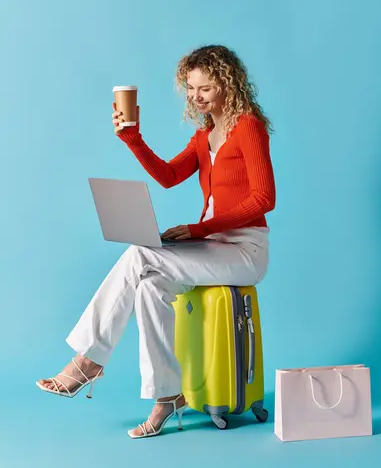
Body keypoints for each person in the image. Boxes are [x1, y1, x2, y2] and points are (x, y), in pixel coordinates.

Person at [36, 44, 276, 439]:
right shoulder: (205, 135)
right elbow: (167, 176)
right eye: (191, 89)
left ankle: (87, 361)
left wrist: (199, 230)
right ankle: (168, 397)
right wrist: (133, 139)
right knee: (150, 286)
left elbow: (264, 199)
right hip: (214, 246)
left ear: (228, 84)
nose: (196, 97)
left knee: (138, 255)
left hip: (245, 250)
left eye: (205, 89)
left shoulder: (248, 126)